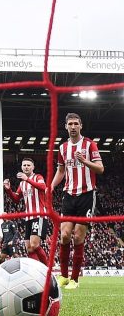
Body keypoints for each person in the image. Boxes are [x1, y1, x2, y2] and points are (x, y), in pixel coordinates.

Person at [51, 112, 103, 290]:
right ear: (65, 127)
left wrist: (85, 161)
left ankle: (74, 279)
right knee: (65, 235)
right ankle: (64, 276)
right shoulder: (63, 148)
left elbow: (100, 169)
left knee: (78, 237)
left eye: (76, 124)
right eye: (70, 124)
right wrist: (51, 186)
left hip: (87, 195)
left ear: (81, 126)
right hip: (68, 195)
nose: (73, 127)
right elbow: (61, 171)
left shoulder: (90, 145)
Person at [3, 157, 50, 265]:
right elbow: (16, 199)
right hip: (28, 217)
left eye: (28, 165)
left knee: (34, 244)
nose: (26, 167)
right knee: (29, 248)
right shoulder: (22, 184)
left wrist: (27, 179)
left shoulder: (38, 177)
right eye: (24, 165)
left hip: (39, 215)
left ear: (33, 167)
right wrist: (8, 189)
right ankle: (36, 270)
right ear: (21, 167)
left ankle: (48, 269)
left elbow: (43, 187)